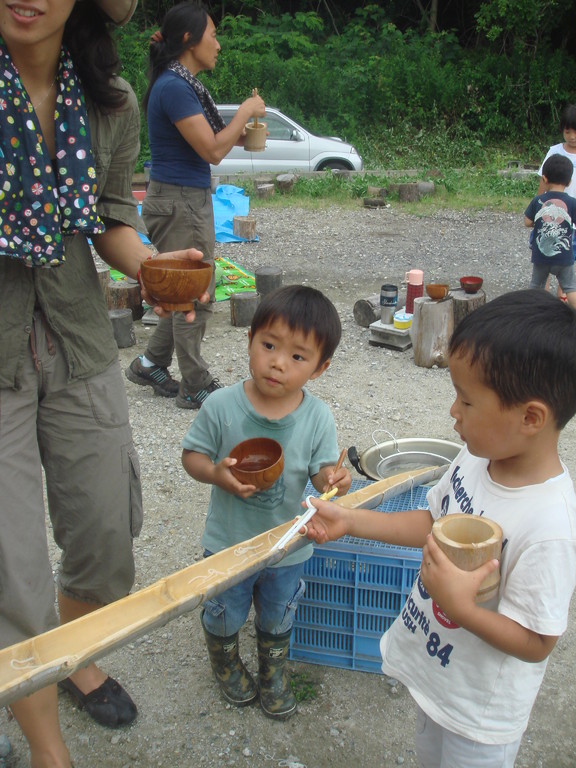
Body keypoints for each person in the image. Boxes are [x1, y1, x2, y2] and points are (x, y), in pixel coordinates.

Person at [0, 2, 208, 766]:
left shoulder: (108, 100)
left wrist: (153, 267)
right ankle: (50, 749)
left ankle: (71, 653)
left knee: (104, 535)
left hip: (80, 336)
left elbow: (108, 218)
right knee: (10, 573)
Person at [304, 289, 576, 767]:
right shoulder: (476, 458)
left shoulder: (550, 524)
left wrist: (459, 606)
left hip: (479, 714)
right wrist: (350, 519)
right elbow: (432, 521)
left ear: (531, 417)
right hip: (437, 674)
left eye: (466, 402)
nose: (453, 412)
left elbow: (538, 642)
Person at [181, 285, 352, 719]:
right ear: (251, 341)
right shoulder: (221, 406)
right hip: (228, 543)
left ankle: (272, 671)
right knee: (224, 613)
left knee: (278, 615)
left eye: (298, 356)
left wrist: (331, 477)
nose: (278, 362)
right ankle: (224, 660)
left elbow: (318, 473)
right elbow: (193, 456)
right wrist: (216, 474)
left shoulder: (317, 417)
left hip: (287, 546)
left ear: (320, 367)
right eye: (269, 345)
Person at [125, 1, 265, 409]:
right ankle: (194, 385)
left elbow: (214, 138)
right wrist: (244, 112)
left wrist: (246, 130)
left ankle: (150, 362)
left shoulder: (182, 83)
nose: (218, 44)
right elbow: (212, 150)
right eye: (213, 35)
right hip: (180, 202)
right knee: (195, 294)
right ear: (189, 40)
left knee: (181, 291)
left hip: (183, 199)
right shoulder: (174, 86)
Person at [524, 154, 576, 308]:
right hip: (564, 257)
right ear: (569, 182)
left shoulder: (538, 201)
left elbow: (527, 222)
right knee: (570, 288)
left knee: (536, 287)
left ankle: (532, 316)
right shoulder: (572, 202)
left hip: (541, 256)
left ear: (544, 179)